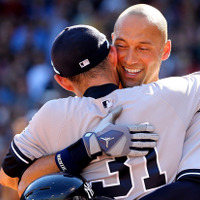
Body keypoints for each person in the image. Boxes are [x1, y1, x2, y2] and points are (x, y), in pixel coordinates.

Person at [1, 21, 200, 200]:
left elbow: (11, 178)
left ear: (62, 82)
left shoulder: (53, 115)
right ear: (113, 55)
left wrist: (85, 149)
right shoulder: (170, 95)